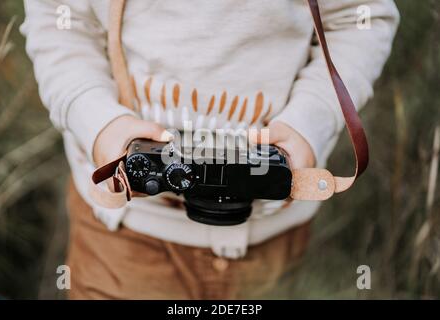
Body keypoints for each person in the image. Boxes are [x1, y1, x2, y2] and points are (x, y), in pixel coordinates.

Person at [21, 0, 399, 299]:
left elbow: (360, 19)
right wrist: (100, 121)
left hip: (274, 238)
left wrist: (309, 122)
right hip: (123, 237)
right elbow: (60, 18)